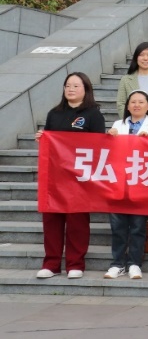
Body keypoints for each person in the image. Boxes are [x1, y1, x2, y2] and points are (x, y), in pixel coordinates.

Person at [34, 72, 106, 280]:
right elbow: (50, 140)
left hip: (79, 177)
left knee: (77, 222)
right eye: (68, 86)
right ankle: (51, 264)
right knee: (52, 220)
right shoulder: (54, 113)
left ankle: (75, 264)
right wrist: (42, 137)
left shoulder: (93, 115)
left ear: (86, 89)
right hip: (55, 176)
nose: (71, 89)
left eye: (76, 86)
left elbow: (99, 146)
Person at [104, 90, 148, 280]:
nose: (136, 105)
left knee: (138, 226)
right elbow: (108, 152)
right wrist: (108, 137)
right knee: (118, 226)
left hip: (141, 181)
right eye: (133, 102)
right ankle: (117, 263)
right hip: (118, 181)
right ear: (127, 106)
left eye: (141, 102)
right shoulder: (117, 125)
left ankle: (135, 263)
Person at [116, 42, 148, 126]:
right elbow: (121, 103)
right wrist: (131, 121)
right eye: (141, 55)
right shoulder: (126, 80)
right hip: (131, 126)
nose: (145, 58)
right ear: (136, 57)